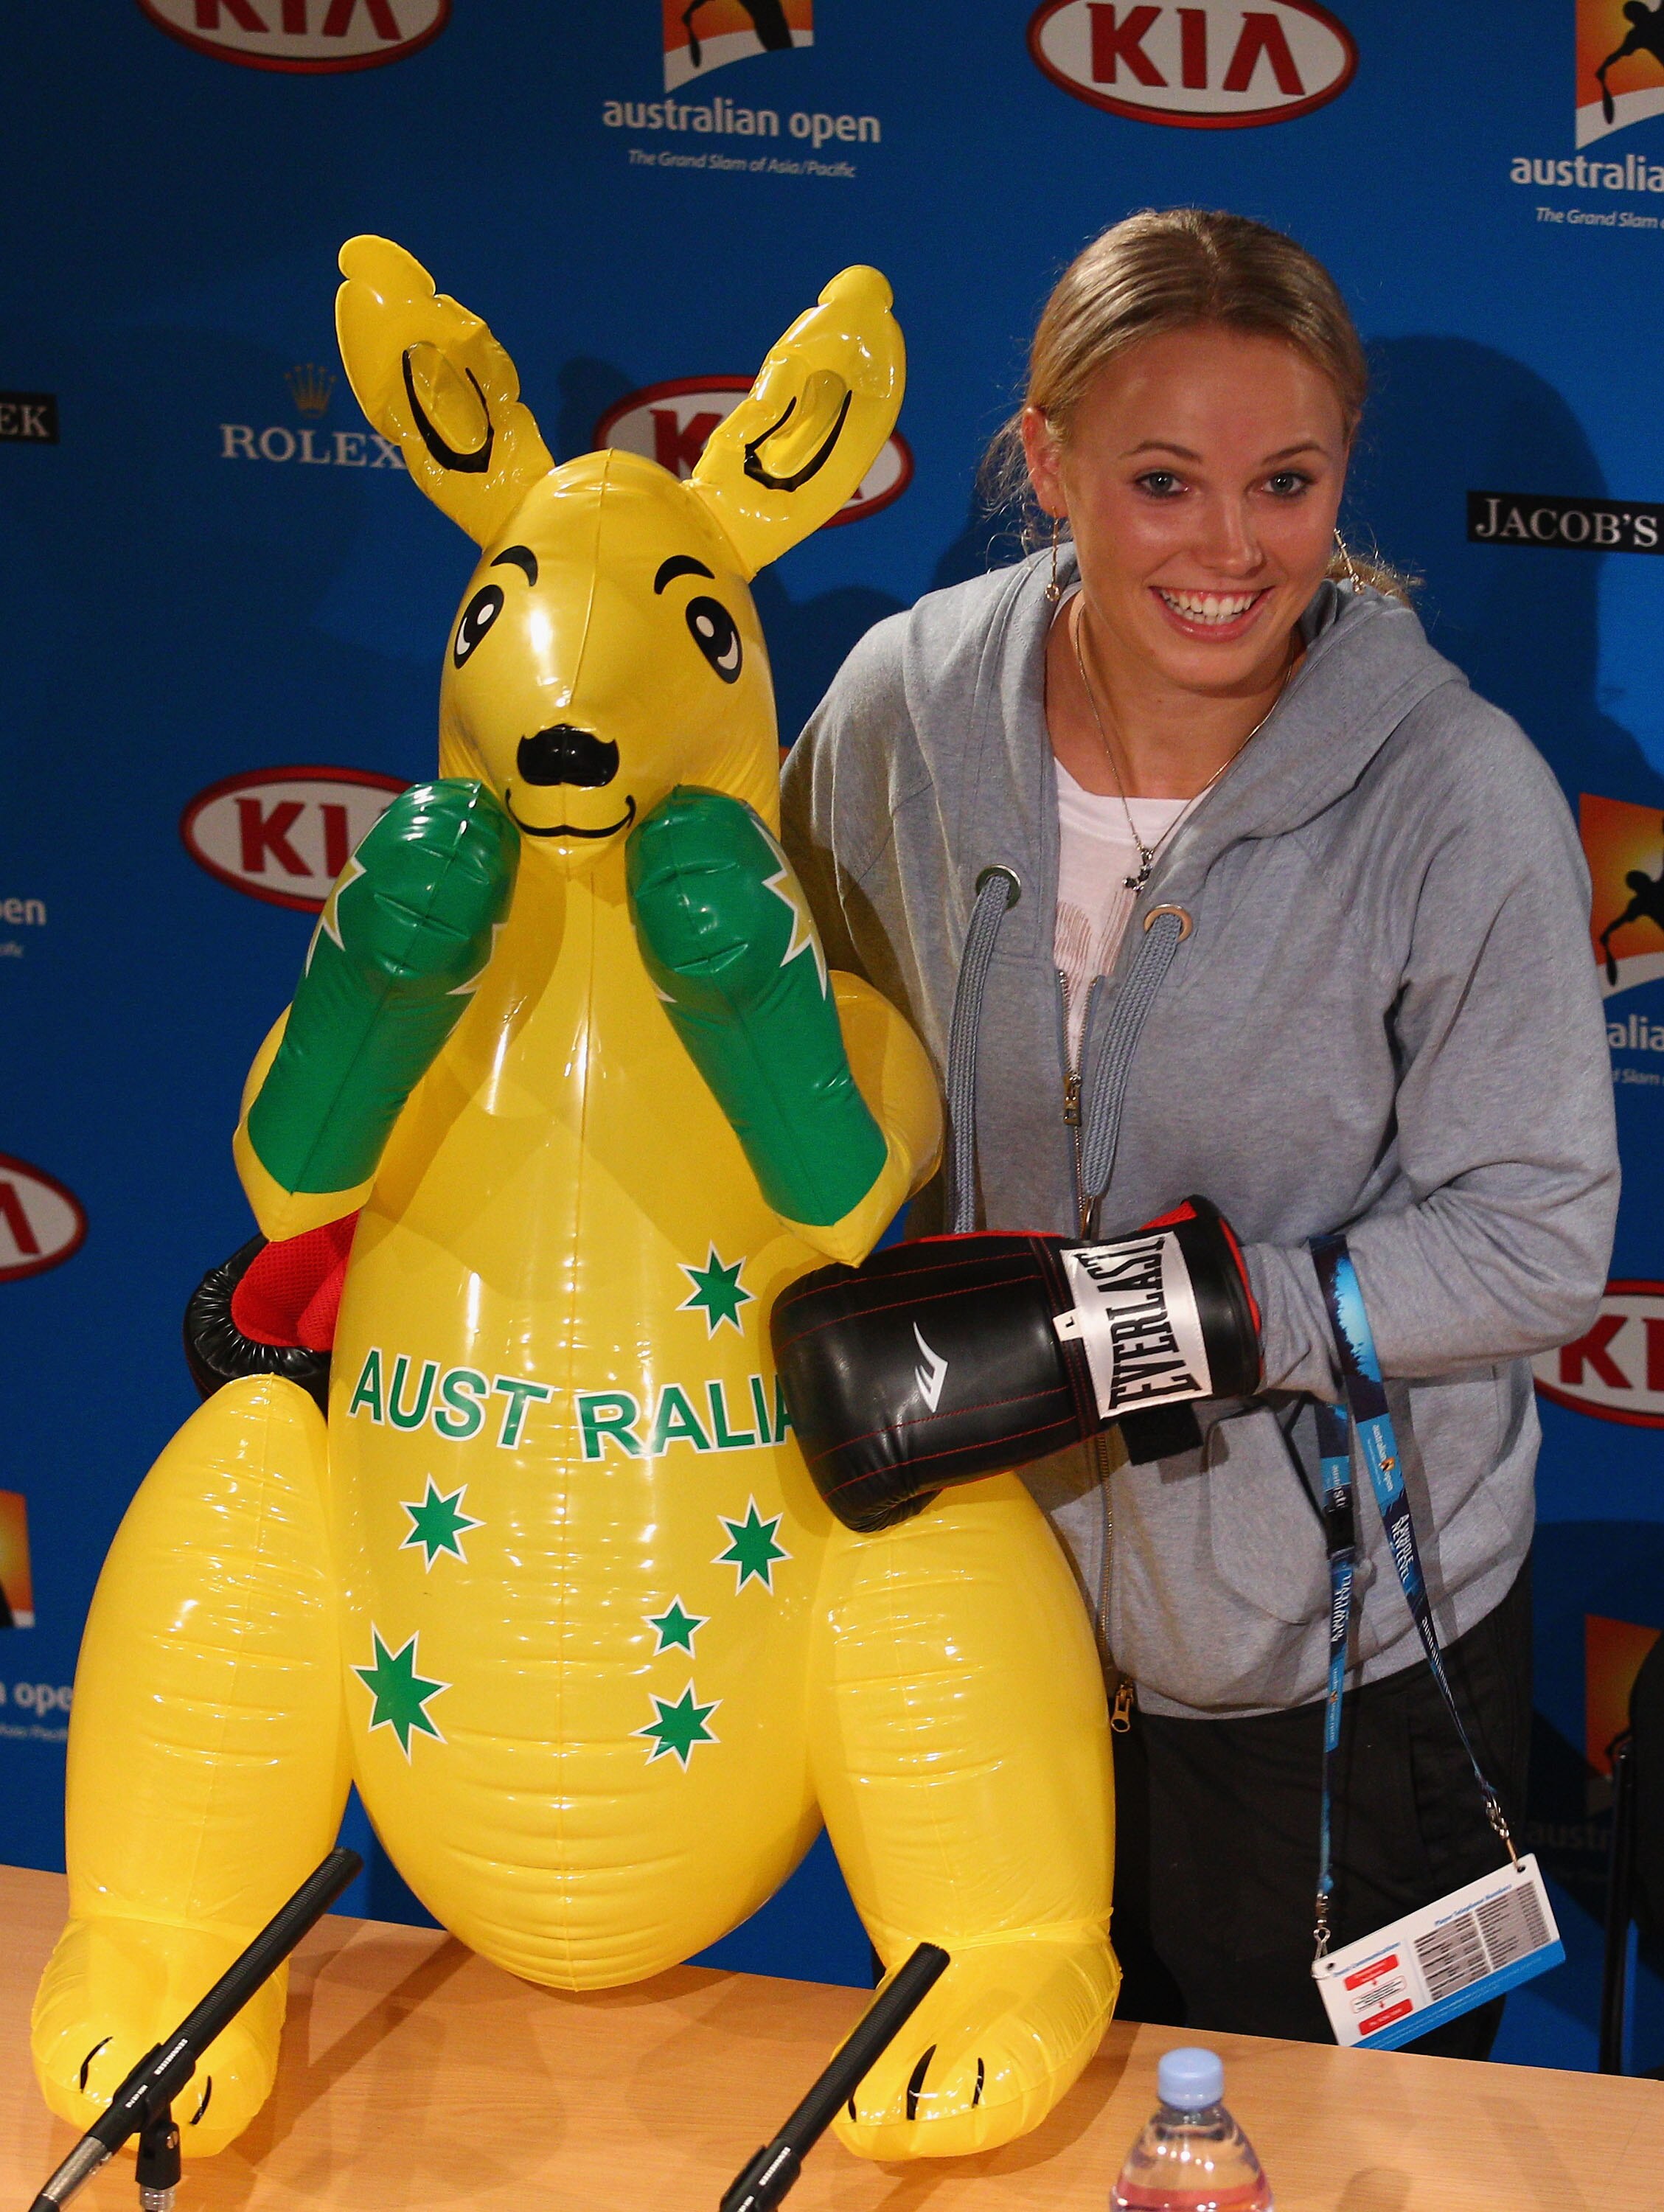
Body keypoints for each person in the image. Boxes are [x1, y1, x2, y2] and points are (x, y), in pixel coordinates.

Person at [779, 208, 1619, 2056]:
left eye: (1288, 481)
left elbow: (1537, 1236)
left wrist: (1176, 1319)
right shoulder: (895, 719)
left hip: (1335, 1668)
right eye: (1163, 480)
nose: (1233, 549)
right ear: (1048, 457)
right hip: (974, 1638)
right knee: (1007, 2128)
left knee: (1320, 2174)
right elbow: (763, 1080)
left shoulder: (1452, 790)